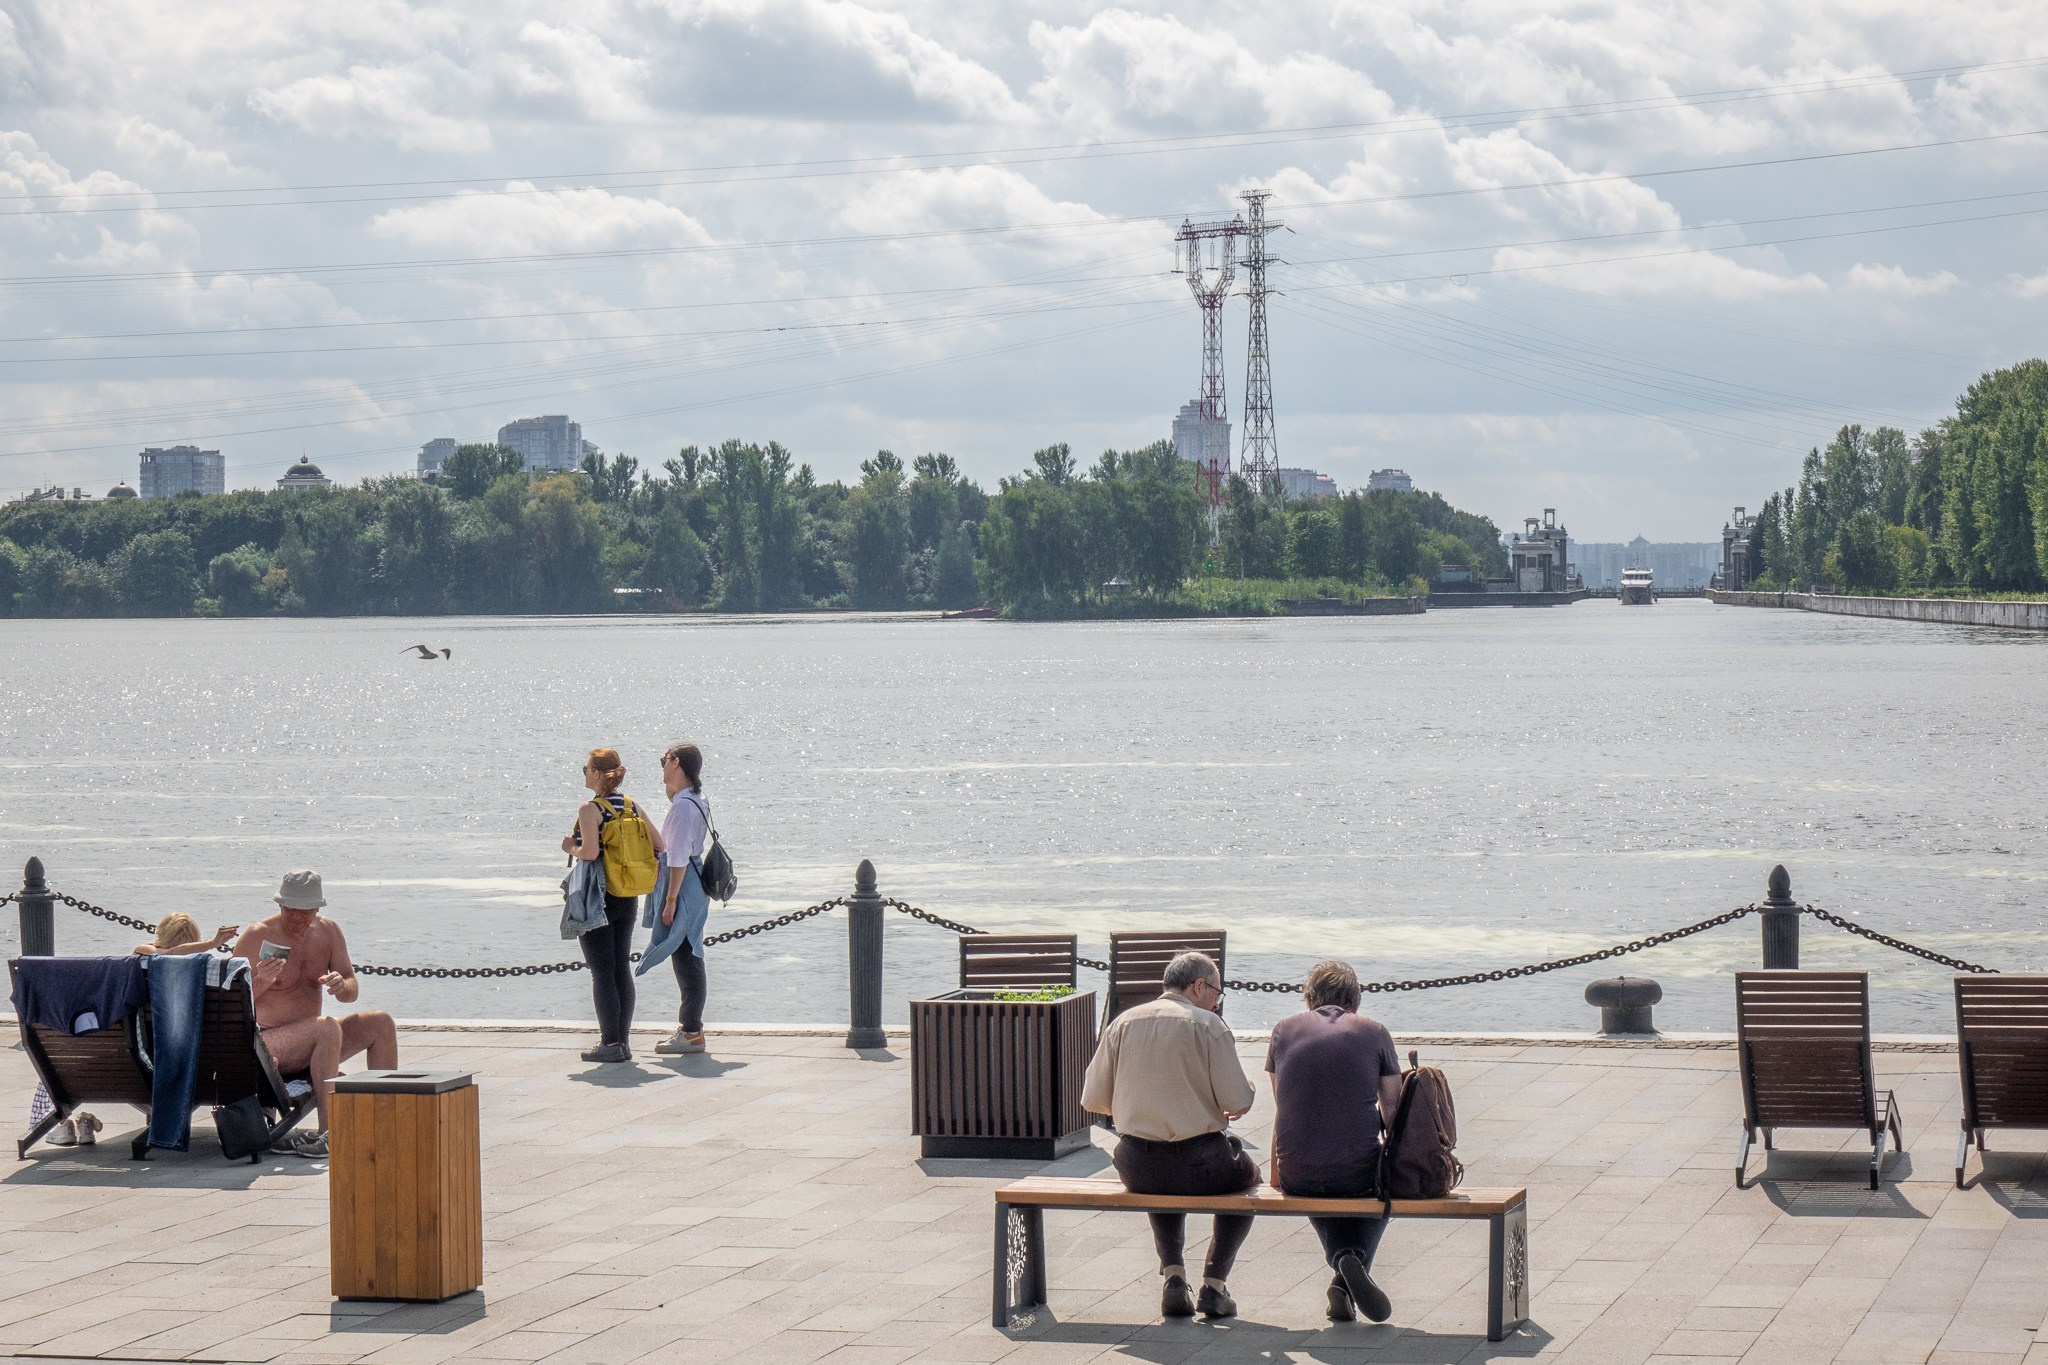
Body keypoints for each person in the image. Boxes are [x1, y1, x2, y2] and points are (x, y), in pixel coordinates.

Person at [1080, 950, 1257, 1320]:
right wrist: (1246, 1091)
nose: (1217, 1002)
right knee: (1249, 1181)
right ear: (1199, 986)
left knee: (1160, 1178)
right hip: (1202, 1162)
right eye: (1216, 993)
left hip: (1137, 1164)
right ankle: (1214, 1284)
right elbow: (1237, 1101)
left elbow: (1093, 1099)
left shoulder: (1123, 1022)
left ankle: (1174, 1275)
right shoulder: (1208, 1025)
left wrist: (1143, 1106)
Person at [1265, 959, 1403, 1324]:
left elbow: (1283, 1104)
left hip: (1297, 1171)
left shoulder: (1282, 1030)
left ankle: (1344, 1269)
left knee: (1316, 1170)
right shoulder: (1374, 1032)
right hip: (1356, 1174)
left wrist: (1277, 1168)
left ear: (1309, 999)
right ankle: (1345, 1266)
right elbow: (1393, 1111)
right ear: (1356, 1002)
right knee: (1384, 1187)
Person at [39, 912, 244, 1146]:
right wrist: (211, 944)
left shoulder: (141, 960)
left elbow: (167, 954)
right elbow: (168, 955)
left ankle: (62, 1125)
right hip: (202, 1065)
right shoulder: (199, 969)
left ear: (160, 933)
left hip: (138, 1064)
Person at [235, 870, 399, 1158]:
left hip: (316, 1043)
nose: (296, 917)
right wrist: (261, 981)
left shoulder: (329, 932)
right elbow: (230, 1001)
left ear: (318, 908)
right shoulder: (258, 934)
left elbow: (351, 988)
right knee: (326, 1027)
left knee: (380, 1023)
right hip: (268, 1044)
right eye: (290, 909)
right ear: (280, 904)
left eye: (305, 910)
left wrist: (341, 985)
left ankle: (386, 1123)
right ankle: (329, 1133)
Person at [562, 746, 664, 1063]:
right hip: (627, 894)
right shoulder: (632, 805)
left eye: (586, 770)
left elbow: (590, 853)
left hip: (598, 895)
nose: (585, 774)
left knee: (601, 972)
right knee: (620, 967)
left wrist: (570, 847)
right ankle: (623, 1043)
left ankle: (609, 1043)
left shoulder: (590, 809)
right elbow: (660, 844)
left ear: (595, 774)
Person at [648, 742, 712, 1056]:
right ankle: (691, 1028)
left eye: (664, 760)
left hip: (683, 883)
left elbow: (677, 858)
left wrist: (671, 899)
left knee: (686, 955)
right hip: (694, 881)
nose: (661, 765)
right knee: (689, 951)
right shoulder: (692, 798)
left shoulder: (684, 806)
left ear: (676, 763)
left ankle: (691, 1031)